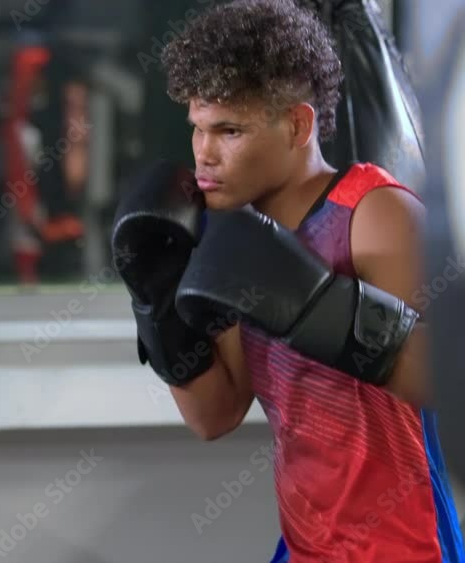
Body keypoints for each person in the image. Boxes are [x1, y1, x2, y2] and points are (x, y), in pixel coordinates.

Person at [111, 1, 465, 561]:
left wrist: (319, 306)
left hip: (404, 545)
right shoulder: (233, 239)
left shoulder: (375, 214)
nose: (204, 154)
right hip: (303, 548)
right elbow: (215, 415)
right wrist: (155, 307)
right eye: (197, 128)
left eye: (229, 130)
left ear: (297, 124)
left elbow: (454, 380)